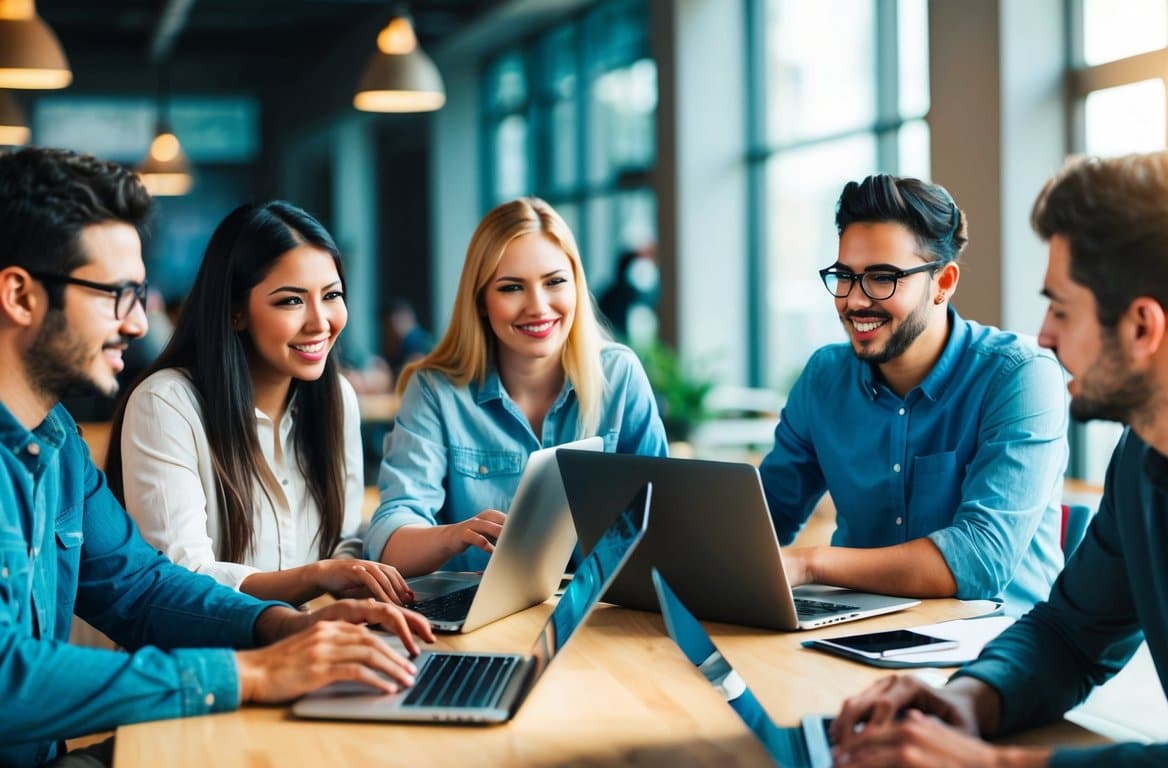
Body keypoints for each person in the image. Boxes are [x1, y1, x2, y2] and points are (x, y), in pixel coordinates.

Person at [830, 151, 1168, 767]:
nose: (1044, 335)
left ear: (1143, 328)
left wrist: (992, 764)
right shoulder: (1145, 456)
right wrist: (967, 700)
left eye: (1061, 309)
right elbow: (1070, 636)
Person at [0, 147, 432, 767]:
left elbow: (140, 589)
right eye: (116, 295)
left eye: (139, 296)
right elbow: (8, 677)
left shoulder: (58, 440)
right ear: (21, 295)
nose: (134, 324)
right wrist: (250, 674)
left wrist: (284, 628)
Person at [761, 174, 1068, 616]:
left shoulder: (1019, 375)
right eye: (845, 277)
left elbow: (979, 559)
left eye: (883, 279)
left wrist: (812, 563)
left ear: (943, 282)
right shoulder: (824, 378)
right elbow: (766, 520)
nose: (855, 300)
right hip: (850, 632)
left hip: (992, 650)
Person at [105, 201, 413, 607]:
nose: (320, 322)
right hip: (211, 660)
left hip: (314, 646)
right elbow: (181, 579)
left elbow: (343, 543)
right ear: (236, 313)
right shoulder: (166, 403)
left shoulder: (337, 398)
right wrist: (319, 577)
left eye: (332, 295)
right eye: (291, 301)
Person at [366, 197, 668, 576]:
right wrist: (451, 536)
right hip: (474, 622)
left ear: (576, 285)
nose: (538, 307)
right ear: (480, 301)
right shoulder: (436, 391)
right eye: (511, 288)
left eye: (555, 281)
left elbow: (660, 521)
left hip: (598, 619)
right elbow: (388, 539)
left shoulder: (619, 377)